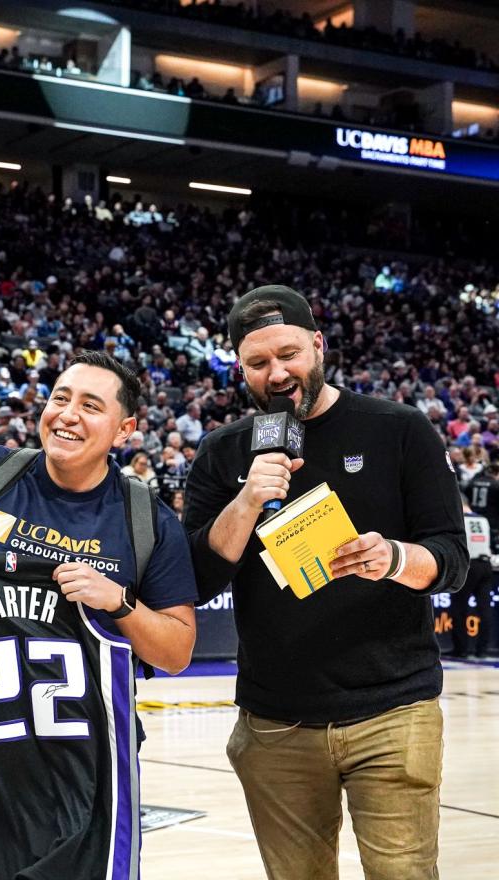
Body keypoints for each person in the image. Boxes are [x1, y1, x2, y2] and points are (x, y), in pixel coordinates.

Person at [183, 284, 468, 880]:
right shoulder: (222, 452)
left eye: (289, 353)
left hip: (393, 708)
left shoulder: (399, 430)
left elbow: (451, 558)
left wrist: (392, 557)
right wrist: (247, 501)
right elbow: (198, 579)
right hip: (275, 722)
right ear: (240, 367)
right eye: (259, 363)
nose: (278, 373)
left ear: (318, 343)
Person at [0, 351, 197, 878]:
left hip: (89, 767)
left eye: (89, 405)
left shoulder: (146, 517)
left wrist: (119, 602)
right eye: (60, 398)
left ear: (124, 428)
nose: (67, 414)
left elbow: (176, 652)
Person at [445, 494, 494, 659]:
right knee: (485, 609)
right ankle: (483, 650)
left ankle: (462, 649)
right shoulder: (483, 519)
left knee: (458, 608)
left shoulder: (460, 520)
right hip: (486, 565)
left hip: (469, 565)